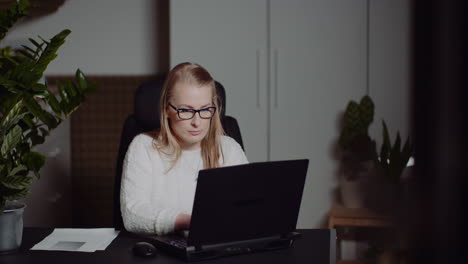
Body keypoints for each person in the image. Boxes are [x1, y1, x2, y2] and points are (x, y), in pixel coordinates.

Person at [120, 62, 248, 235]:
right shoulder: (143, 147)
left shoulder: (229, 148)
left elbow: (247, 204)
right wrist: (188, 221)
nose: (197, 122)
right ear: (167, 110)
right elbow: (132, 214)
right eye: (186, 111)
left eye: (205, 109)